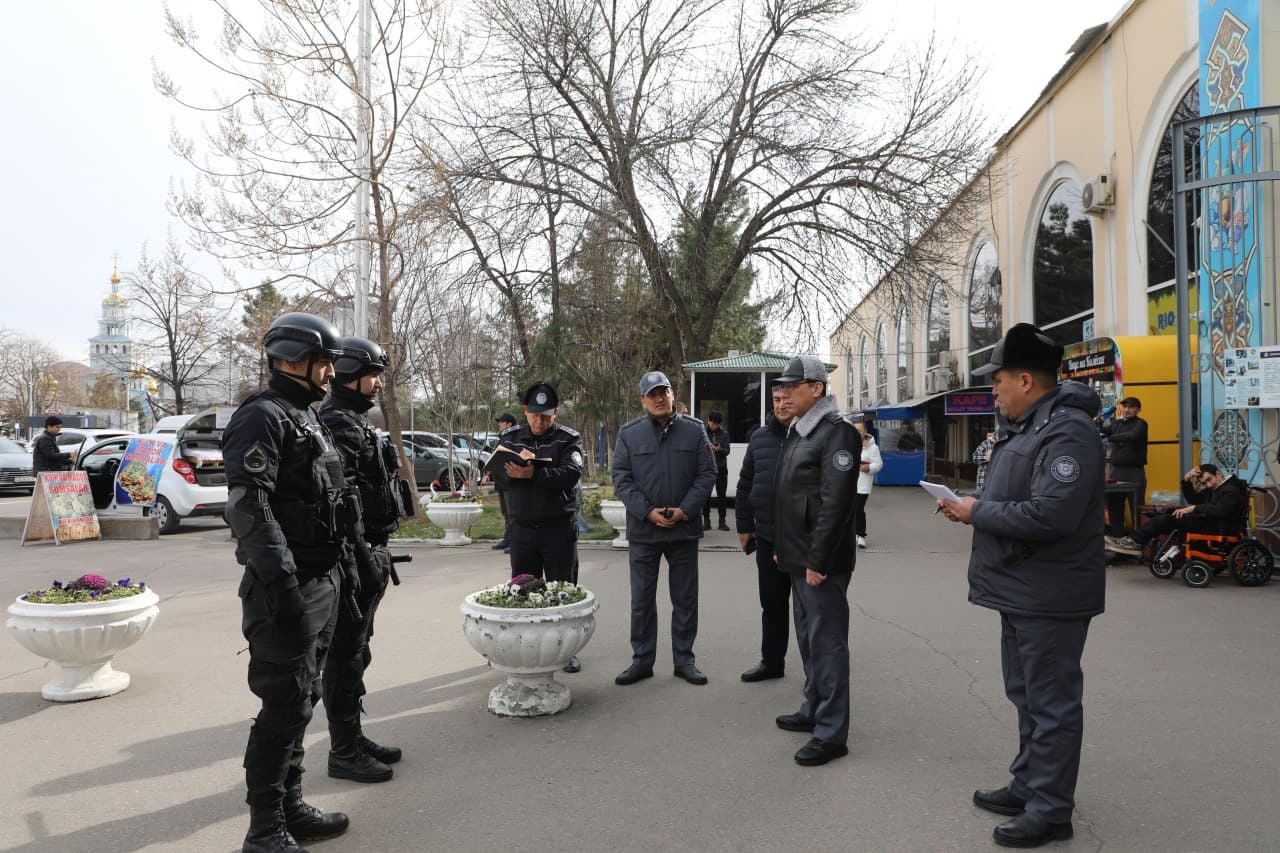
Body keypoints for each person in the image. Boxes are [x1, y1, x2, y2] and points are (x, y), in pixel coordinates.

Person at [937, 322, 1105, 849]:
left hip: (1050, 592)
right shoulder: (1028, 426)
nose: (994, 390)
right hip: (1022, 586)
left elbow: (1053, 514)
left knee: (1052, 703)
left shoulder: (1066, 432)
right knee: (1026, 695)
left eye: (999, 380)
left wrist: (978, 512)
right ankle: (1030, 783)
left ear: (1026, 380)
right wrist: (970, 507)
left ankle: (1051, 811)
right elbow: (1015, 495)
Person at [223, 312, 353, 853]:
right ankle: (264, 829)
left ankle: (291, 807)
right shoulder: (263, 417)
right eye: (324, 363)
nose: (331, 374)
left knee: (303, 698)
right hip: (288, 587)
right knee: (282, 706)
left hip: (321, 579)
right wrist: (284, 587)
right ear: (295, 361)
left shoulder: (306, 416)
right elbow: (249, 508)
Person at [318, 337, 406, 785]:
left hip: (371, 550)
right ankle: (344, 750)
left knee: (358, 651)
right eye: (372, 374)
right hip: (355, 556)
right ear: (351, 373)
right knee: (345, 655)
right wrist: (359, 559)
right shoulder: (337, 423)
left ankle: (352, 736)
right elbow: (341, 500)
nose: (377, 383)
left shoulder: (354, 421)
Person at [771, 355, 859, 767]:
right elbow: (789, 496)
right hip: (798, 556)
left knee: (827, 645)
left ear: (817, 389)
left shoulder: (837, 434)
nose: (784, 393)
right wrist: (784, 547)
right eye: (782, 387)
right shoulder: (800, 431)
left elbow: (835, 504)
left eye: (793, 386)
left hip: (821, 562)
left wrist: (818, 560)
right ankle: (813, 708)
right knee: (808, 640)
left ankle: (831, 733)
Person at [612, 370, 716, 686]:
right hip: (645, 532)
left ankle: (684, 660)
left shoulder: (694, 430)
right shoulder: (629, 434)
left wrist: (685, 510)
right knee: (642, 600)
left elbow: (707, 474)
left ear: (672, 394)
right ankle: (642, 661)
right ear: (643, 400)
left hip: (683, 530)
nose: (659, 398)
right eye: (652, 394)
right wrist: (647, 512)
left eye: (663, 392)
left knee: (685, 599)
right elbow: (621, 479)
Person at [491, 381, 585, 672]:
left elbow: (571, 474)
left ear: (555, 412)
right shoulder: (510, 438)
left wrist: (534, 474)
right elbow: (497, 474)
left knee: (562, 591)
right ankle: (522, 648)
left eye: (546, 416)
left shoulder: (568, 439)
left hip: (558, 528)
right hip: (522, 529)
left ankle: (566, 650)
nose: (540, 421)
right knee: (521, 590)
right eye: (534, 415)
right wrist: (511, 473)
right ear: (525, 411)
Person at [735, 387, 794, 682]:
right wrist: (745, 527)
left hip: (801, 540)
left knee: (810, 611)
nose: (781, 406)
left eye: (787, 400)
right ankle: (772, 662)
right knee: (771, 604)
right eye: (776, 400)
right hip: (767, 536)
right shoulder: (759, 438)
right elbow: (745, 484)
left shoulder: (812, 436)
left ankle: (818, 673)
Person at [1106, 463, 1247, 556]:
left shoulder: (1231, 490)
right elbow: (1194, 500)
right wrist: (1186, 481)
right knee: (1165, 515)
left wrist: (1194, 508)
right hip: (1209, 522)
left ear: (1219, 474)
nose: (1208, 485)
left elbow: (1221, 511)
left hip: (1218, 527)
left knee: (1167, 520)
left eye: (1209, 480)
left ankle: (1135, 542)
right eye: (1204, 483)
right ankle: (1134, 541)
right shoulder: (1217, 488)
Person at [1100, 396, 1148, 537]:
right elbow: (1102, 430)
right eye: (1125, 406)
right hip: (1116, 472)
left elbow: (1133, 436)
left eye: (1131, 407)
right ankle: (1117, 540)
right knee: (1115, 509)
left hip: (1134, 472)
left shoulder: (1141, 424)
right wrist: (1100, 421)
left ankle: (1139, 541)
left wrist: (1111, 438)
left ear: (1138, 410)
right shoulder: (1116, 424)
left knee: (1137, 509)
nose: (1127, 410)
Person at [489, 412, 518, 552]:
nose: (499, 424)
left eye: (501, 422)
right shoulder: (503, 437)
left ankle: (516, 542)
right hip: (500, 481)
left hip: (509, 481)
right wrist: (489, 473)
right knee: (505, 512)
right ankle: (508, 539)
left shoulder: (514, 437)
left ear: (508, 424)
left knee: (513, 513)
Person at [852, 420, 882, 549]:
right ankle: (852, 534)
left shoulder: (873, 447)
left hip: (863, 483)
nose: (857, 433)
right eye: (855, 430)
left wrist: (868, 468)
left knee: (858, 508)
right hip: (848, 483)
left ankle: (861, 535)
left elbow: (878, 464)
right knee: (850, 509)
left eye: (859, 430)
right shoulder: (847, 444)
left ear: (865, 431)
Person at [702, 410, 731, 531]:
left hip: (721, 468)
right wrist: (707, 448)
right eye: (713, 423)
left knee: (721, 496)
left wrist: (719, 449)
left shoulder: (724, 434)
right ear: (708, 421)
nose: (714, 426)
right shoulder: (702, 432)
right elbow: (698, 449)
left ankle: (722, 522)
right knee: (705, 496)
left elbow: (727, 451)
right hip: (707, 469)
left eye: (717, 424)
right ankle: (706, 522)